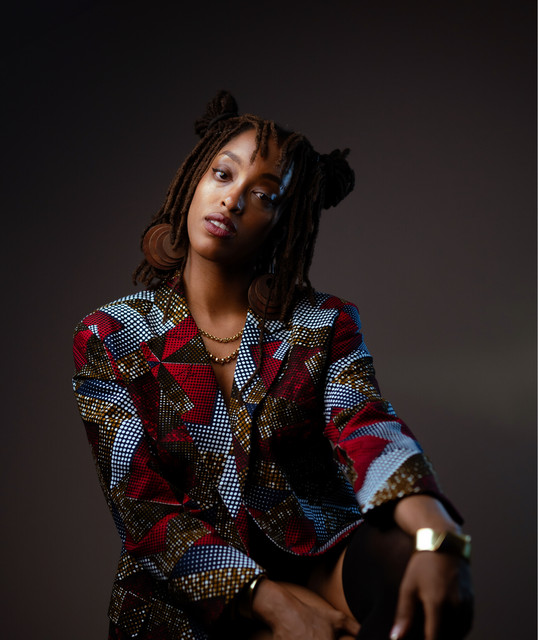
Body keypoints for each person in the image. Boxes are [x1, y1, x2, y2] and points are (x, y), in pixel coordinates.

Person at [72, 91, 473, 640]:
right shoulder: (109, 335)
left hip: (316, 556)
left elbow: (364, 423)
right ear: (193, 182)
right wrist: (274, 603)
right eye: (222, 174)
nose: (233, 200)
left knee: (416, 560)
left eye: (263, 195)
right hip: (193, 595)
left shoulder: (322, 322)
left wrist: (435, 527)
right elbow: (142, 505)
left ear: (282, 222)